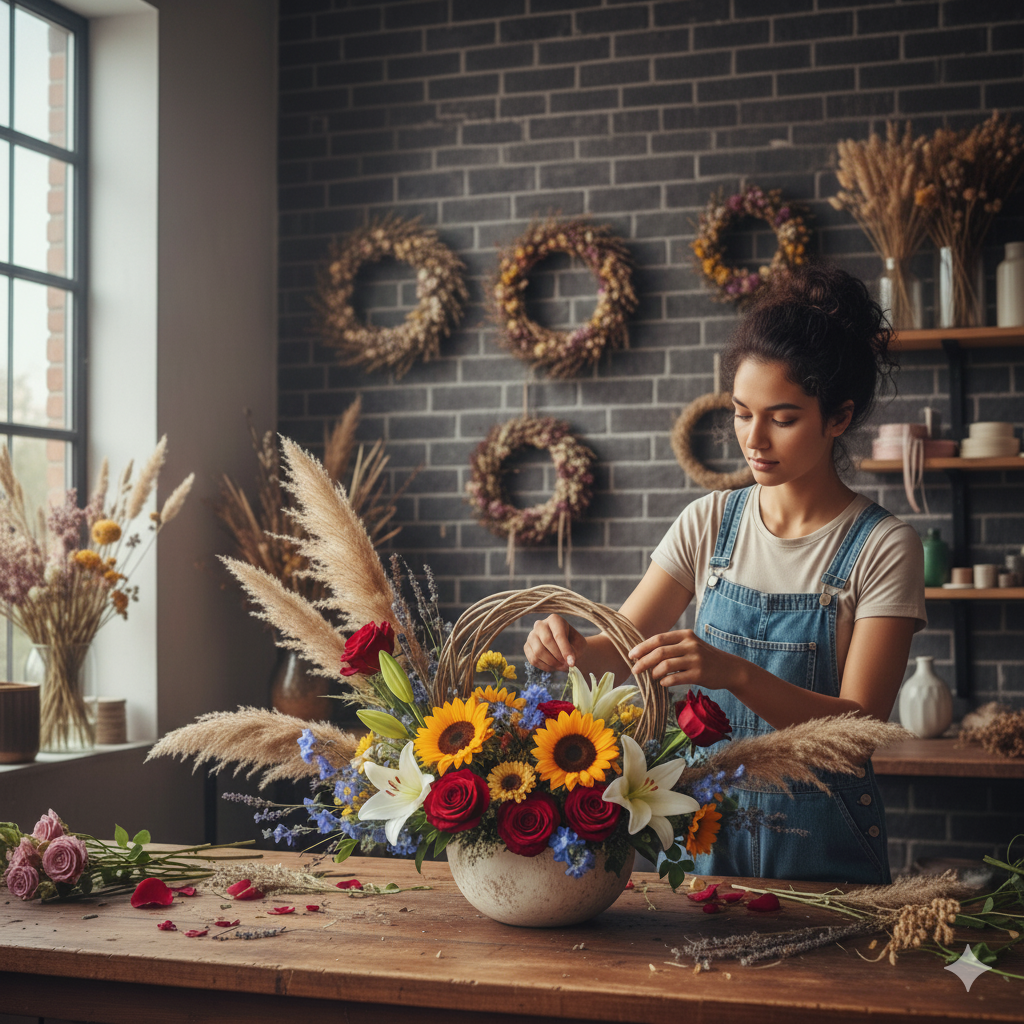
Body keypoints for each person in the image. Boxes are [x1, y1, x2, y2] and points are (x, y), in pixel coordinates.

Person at [524, 263, 927, 885]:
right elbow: (628, 648)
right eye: (742, 413)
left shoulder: (882, 546)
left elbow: (856, 734)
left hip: (821, 844)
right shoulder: (709, 521)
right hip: (708, 823)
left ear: (839, 418)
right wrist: (573, 648)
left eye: (783, 418)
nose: (754, 439)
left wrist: (732, 673)